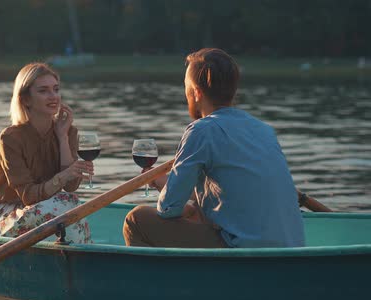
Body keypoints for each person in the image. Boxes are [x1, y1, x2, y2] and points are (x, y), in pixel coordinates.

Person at [123, 48, 305, 248]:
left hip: (243, 250)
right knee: (196, 212)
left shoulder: (201, 131)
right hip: (290, 248)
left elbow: (168, 209)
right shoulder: (264, 130)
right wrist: (179, 191)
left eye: (185, 87)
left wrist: (170, 189)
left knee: (136, 220)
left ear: (197, 93)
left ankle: (158, 279)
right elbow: (232, 192)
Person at [0, 62, 93, 243]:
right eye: (43, 91)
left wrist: (62, 137)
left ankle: (76, 257)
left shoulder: (68, 131)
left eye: (56, 89)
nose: (53, 96)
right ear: (25, 99)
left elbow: (71, 186)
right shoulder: (10, 138)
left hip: (52, 208)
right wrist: (64, 175)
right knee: (65, 202)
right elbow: (28, 196)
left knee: (66, 200)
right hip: (10, 213)